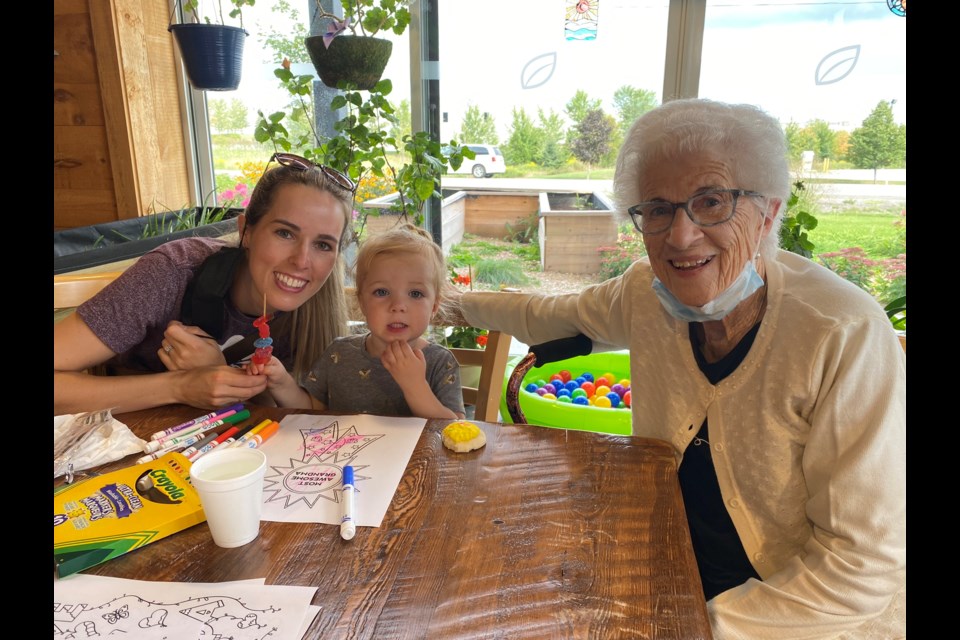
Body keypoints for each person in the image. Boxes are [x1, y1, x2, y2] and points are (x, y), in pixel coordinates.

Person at [451, 99, 905, 638]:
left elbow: (861, 568)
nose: (681, 237)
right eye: (658, 209)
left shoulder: (841, 332)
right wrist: (445, 303)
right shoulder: (646, 292)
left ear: (769, 213)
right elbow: (546, 314)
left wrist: (684, 625)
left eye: (712, 201)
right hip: (668, 567)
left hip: (789, 615)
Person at [54, 153, 355, 415]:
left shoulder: (313, 314)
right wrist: (180, 387)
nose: (302, 261)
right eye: (285, 234)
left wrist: (219, 370)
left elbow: (286, 412)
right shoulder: (172, 272)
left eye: (323, 245)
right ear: (246, 231)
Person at [256, 223, 465, 420]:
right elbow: (311, 409)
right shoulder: (339, 353)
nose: (398, 305)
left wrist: (415, 387)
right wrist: (282, 382)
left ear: (434, 307)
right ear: (362, 302)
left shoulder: (440, 363)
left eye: (416, 293)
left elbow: (455, 430)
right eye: (381, 292)